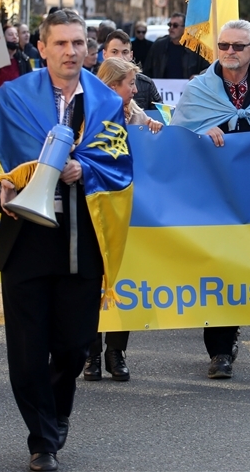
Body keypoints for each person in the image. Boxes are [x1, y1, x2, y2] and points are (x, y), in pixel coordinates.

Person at [0, 9, 132, 472]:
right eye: (60, 43)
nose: (71, 51)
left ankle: (56, 416)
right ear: (42, 48)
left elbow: (120, 167)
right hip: (26, 240)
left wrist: (87, 170)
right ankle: (42, 440)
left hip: (81, 240)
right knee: (26, 349)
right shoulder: (13, 96)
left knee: (75, 346)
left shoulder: (104, 101)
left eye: (78, 43)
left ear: (88, 48)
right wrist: (2, 188)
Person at [171, 20, 250, 379]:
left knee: (242, 267)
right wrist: (198, 132)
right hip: (212, 193)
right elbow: (178, 134)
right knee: (218, 266)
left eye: (238, 47)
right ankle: (220, 351)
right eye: (223, 45)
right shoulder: (199, 89)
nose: (229, 52)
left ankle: (232, 329)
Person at [82, 58, 162, 383]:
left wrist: (154, 130)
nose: (134, 89)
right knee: (91, 281)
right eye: (130, 84)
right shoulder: (88, 114)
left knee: (122, 277)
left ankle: (116, 351)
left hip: (128, 210)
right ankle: (91, 353)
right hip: (97, 209)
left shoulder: (136, 115)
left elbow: (153, 147)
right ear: (113, 85)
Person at [101, 29, 162, 112]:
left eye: (125, 52)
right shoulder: (93, 83)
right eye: (114, 52)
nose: (120, 57)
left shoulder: (146, 84)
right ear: (105, 54)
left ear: (131, 55)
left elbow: (161, 115)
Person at [142, 13, 210, 80]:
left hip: (188, 89)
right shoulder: (158, 46)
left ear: (185, 28)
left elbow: (208, 70)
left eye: (175, 25)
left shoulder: (196, 47)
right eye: (170, 25)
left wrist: (199, 77)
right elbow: (147, 70)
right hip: (162, 90)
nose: (171, 28)